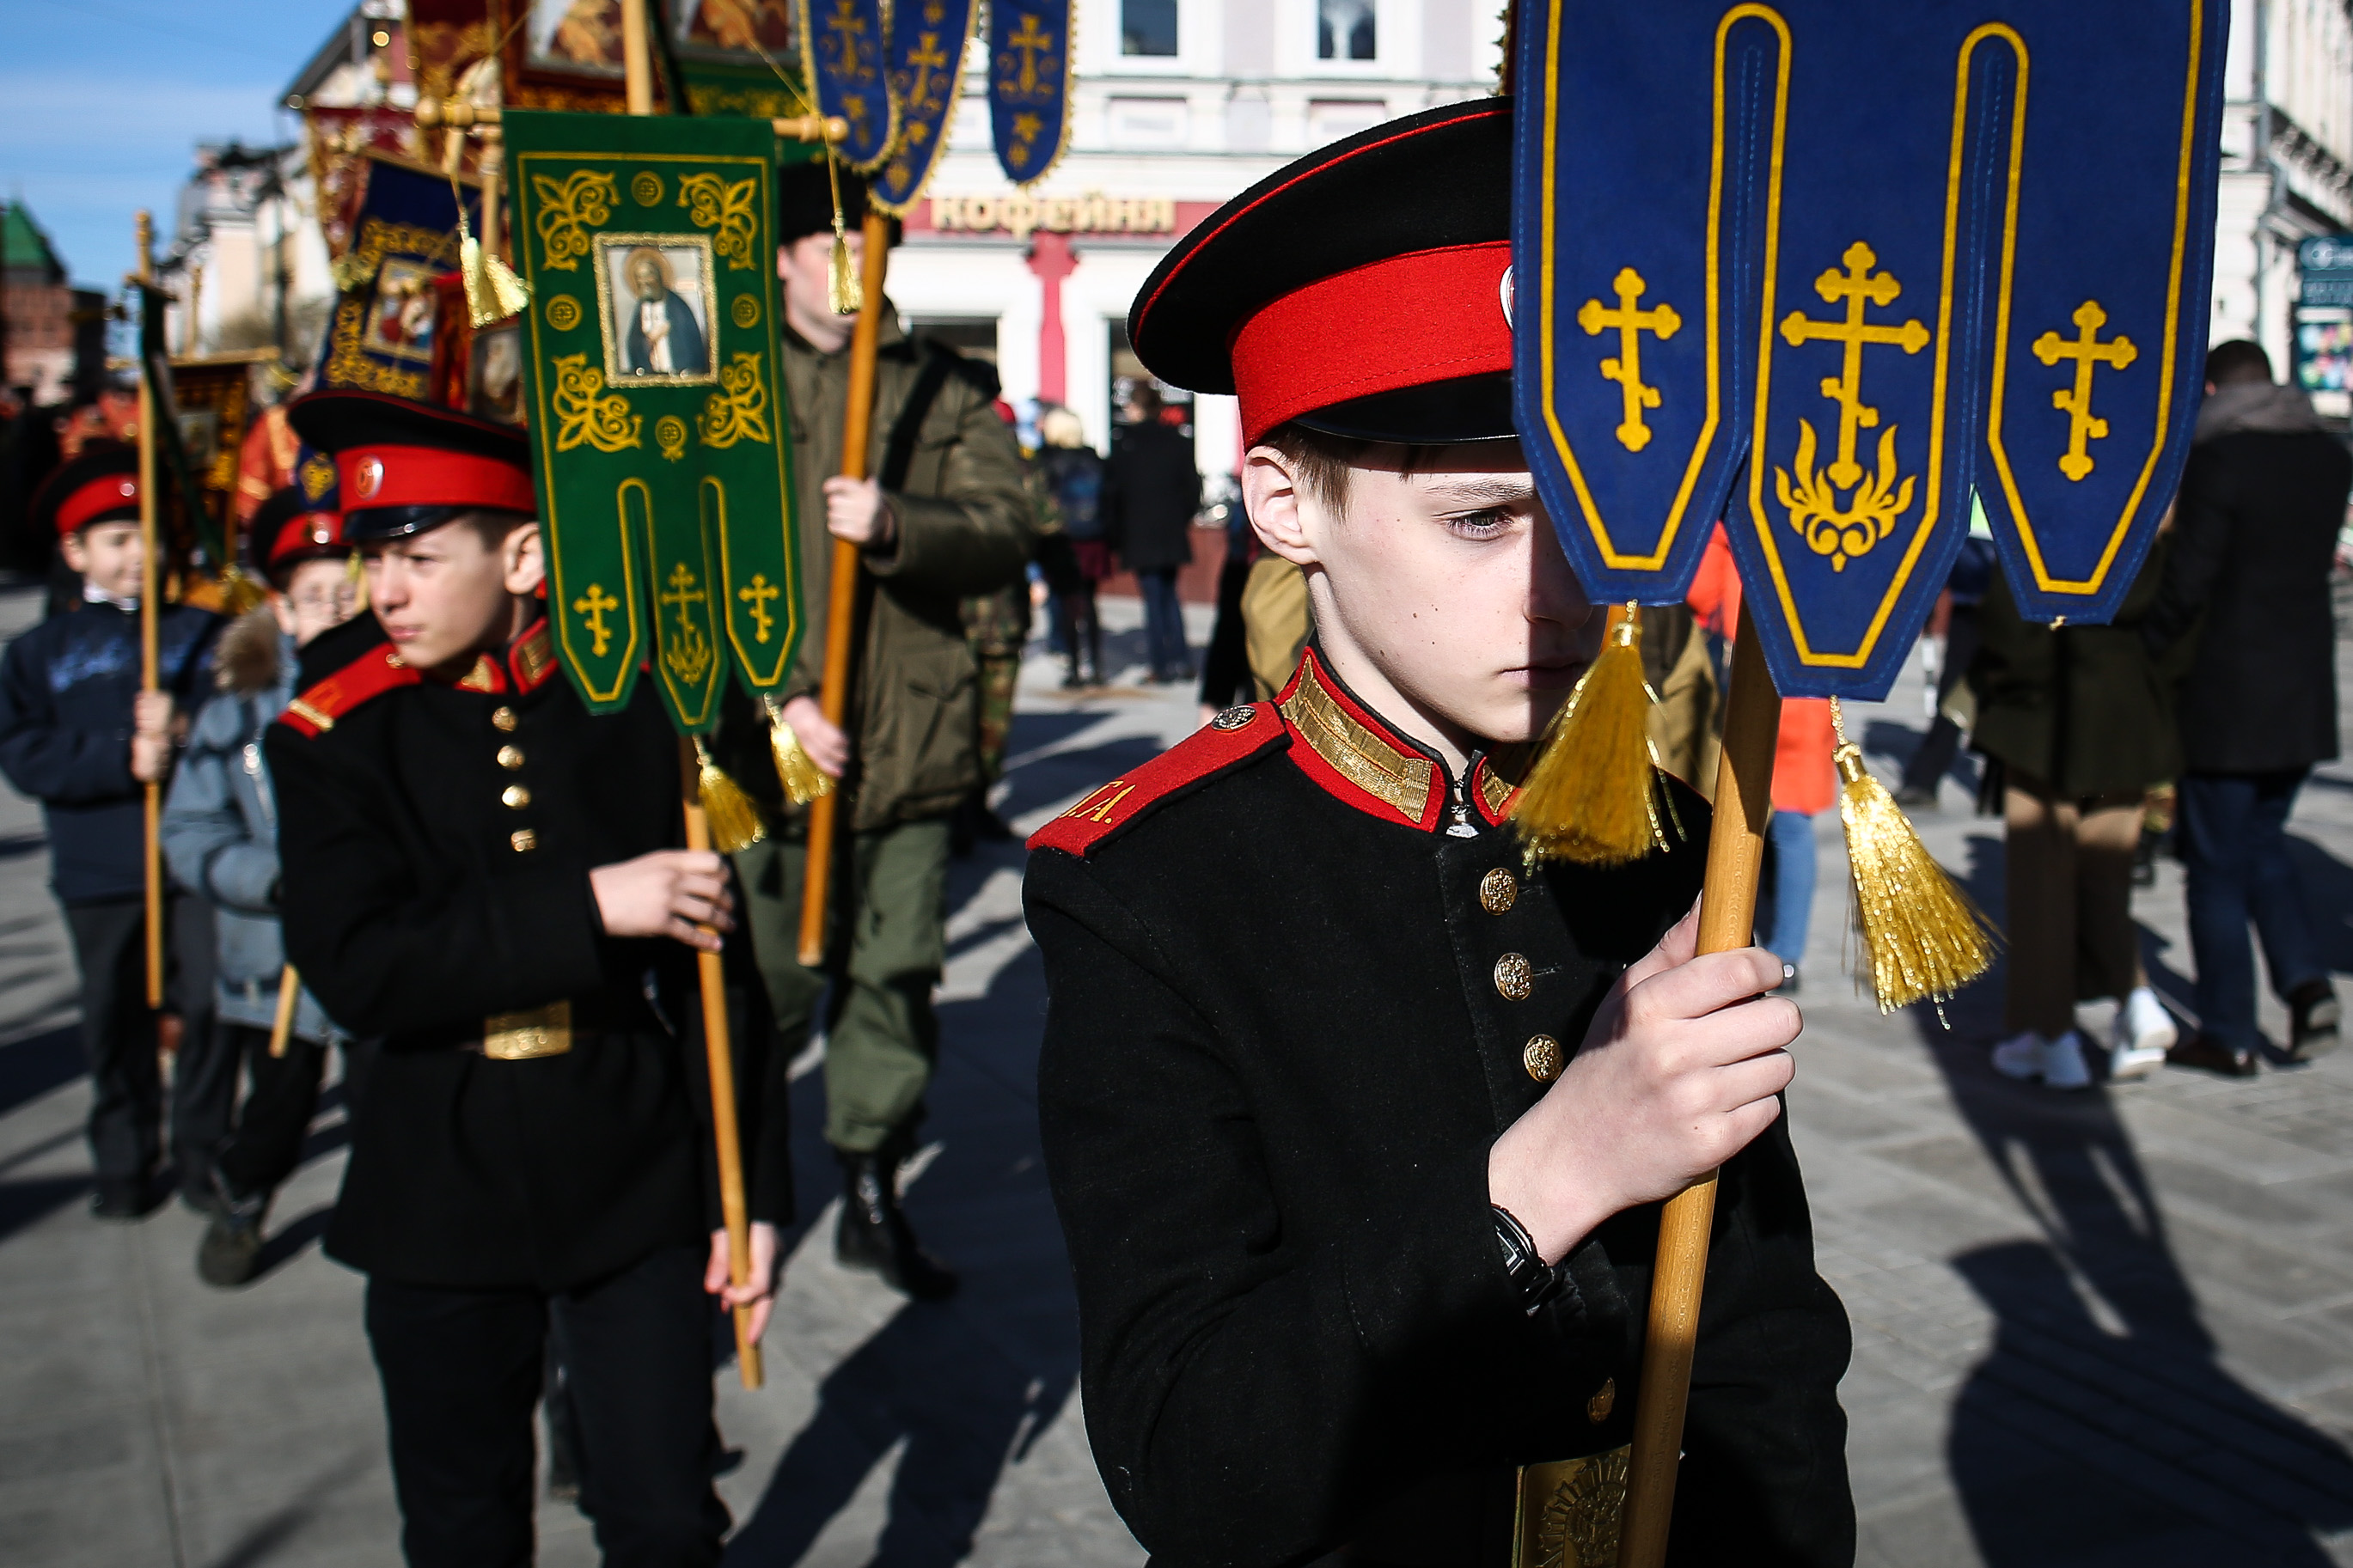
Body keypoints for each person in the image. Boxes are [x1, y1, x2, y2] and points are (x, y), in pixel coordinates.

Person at [1028, 101, 1852, 1566]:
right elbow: (1190, 1462)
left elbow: (1764, 1336)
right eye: (1480, 519)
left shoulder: (1655, 834)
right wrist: (1552, 1173)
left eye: (1591, 513)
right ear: (1282, 502)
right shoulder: (1145, 888)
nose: (1559, 585)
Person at [266, 389, 788, 1565]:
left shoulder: (639, 696)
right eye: (371, 563)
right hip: (435, 1183)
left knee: (664, 1515)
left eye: (414, 559)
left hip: (631, 1168)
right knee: (463, 1524)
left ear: (523, 553)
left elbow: (726, 975)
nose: (382, 593)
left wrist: (746, 1194)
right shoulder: (328, 731)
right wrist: (591, 904)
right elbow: (359, 970)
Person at [711, 164, 1031, 1301]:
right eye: (830, 247)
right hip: (760, 747)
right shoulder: (723, 384)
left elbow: (1008, 525)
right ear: (787, 255)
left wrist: (902, 521)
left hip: (907, 735)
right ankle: (727, 1191)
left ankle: (868, 1185)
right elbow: (685, 565)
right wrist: (773, 697)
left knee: (891, 976)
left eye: (870, 248)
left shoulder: (940, 387)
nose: (853, 273)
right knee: (754, 982)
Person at [0, 447, 220, 1217]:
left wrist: (188, 725)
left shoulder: (205, 634)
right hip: (101, 871)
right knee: (113, 1022)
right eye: (117, 537)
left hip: (195, 866)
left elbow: (247, 730)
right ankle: (124, 1163)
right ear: (76, 550)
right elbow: (25, 753)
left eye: (149, 534)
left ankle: (202, 1157)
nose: (138, 554)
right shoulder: (39, 652)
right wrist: (118, 758)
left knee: (206, 1012)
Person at [162, 486, 364, 1287]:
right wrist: (278, 881)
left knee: (392, 1110)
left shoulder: (394, 703)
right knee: (277, 1109)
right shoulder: (236, 716)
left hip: (378, 956)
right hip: (277, 960)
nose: (335, 610)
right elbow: (189, 833)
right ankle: (244, 1194)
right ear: (282, 611)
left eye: (349, 592)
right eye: (316, 598)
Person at [2143, 339, 2352, 1073]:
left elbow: (2191, 578)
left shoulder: (2223, 459)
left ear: (2209, 388)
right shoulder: (2327, 456)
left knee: (2214, 866)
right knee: (2264, 842)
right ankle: (2304, 984)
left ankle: (2229, 1030)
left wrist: (2145, 640)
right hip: (2303, 692)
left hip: (2230, 697)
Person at [1970, 539, 2182, 1089]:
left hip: (2043, 719)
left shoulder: (2046, 509)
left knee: (2044, 890)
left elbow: (2005, 620)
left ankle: (2052, 1038)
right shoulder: (2144, 508)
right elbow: (2181, 609)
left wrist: (2011, 689)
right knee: (2104, 881)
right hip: (2125, 710)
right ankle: (2136, 1004)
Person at [1101, 384, 1201, 683]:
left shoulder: (1125, 443)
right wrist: (1180, 519)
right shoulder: (1176, 440)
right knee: (1170, 596)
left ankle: (1160, 665)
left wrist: (1115, 533)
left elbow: (1112, 494)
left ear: (1136, 407)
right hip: (1169, 531)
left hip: (1139, 532)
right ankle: (1181, 661)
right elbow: (1192, 489)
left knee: (1154, 598)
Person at [1037, 406, 1108, 687]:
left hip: (1064, 539)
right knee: (1090, 602)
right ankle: (1098, 667)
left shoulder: (1047, 459)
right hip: (1093, 538)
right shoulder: (1094, 459)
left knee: (1067, 602)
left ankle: (1075, 668)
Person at [620, 247, 709, 376]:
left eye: (648, 275)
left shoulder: (678, 307)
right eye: (639, 277)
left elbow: (691, 346)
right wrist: (649, 340)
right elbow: (634, 348)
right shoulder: (640, 310)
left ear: (659, 276)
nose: (644, 282)